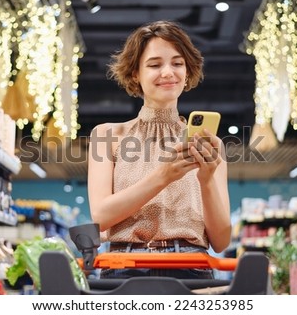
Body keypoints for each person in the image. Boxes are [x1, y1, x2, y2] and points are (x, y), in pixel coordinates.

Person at [87, 20, 231, 279]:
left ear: (187, 72)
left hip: (191, 271)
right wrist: (163, 176)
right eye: (154, 65)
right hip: (124, 269)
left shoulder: (212, 145)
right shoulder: (106, 135)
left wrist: (206, 180)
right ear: (135, 74)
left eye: (177, 63)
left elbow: (221, 241)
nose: (168, 72)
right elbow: (99, 218)